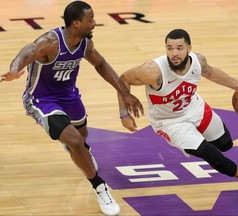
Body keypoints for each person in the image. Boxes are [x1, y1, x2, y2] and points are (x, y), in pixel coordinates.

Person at [0, 1, 144, 216]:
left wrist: (125, 93)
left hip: (69, 96)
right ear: (76, 23)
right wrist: (14, 69)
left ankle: (78, 150)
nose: (94, 23)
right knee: (76, 142)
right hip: (41, 100)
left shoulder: (85, 43)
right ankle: (99, 186)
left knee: (81, 138)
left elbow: (101, 64)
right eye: (90, 19)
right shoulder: (50, 42)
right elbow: (27, 52)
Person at [117, 29, 238, 203]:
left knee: (225, 144)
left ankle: (192, 142)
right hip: (169, 122)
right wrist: (123, 112)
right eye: (170, 48)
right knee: (208, 153)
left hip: (194, 107)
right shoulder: (152, 70)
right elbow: (122, 79)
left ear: (189, 48)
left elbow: (211, 72)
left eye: (179, 48)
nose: (174, 53)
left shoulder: (197, 61)